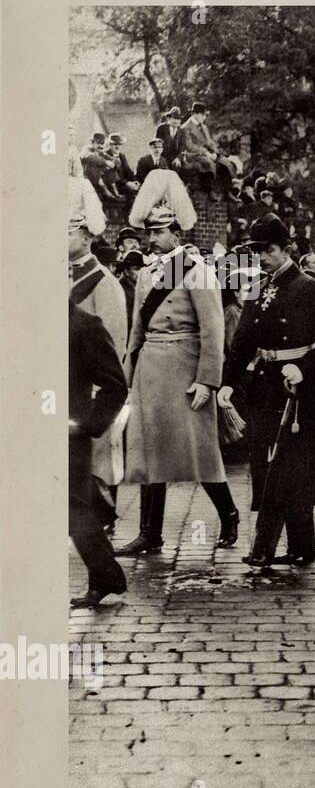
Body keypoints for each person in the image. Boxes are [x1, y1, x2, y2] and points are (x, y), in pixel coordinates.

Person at [115, 170, 240, 556]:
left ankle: (229, 513)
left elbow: (213, 330)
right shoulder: (147, 274)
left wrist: (208, 381)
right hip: (151, 371)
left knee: (198, 452)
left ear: (177, 233)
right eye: (149, 231)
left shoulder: (198, 270)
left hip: (186, 371)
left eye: (160, 231)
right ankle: (149, 533)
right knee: (150, 451)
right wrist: (128, 377)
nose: (152, 238)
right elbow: (137, 330)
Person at [217, 213, 315, 568]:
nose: (262, 257)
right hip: (264, 386)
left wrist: (302, 369)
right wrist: (228, 382)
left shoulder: (311, 288)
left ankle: (266, 547)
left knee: (291, 466)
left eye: (268, 250)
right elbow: (243, 341)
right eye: (256, 251)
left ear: (286, 249)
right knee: (266, 465)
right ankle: (301, 548)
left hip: (298, 391)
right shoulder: (256, 287)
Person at [69, 179, 129, 533]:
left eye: (67, 231)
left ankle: (102, 524)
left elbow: (114, 347)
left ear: (86, 235)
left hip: (92, 393)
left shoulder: (104, 283)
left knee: (97, 464)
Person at [69, 301, 129, 608]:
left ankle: (105, 577)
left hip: (68, 435)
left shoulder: (85, 324)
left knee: (71, 509)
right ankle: (107, 577)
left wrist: (86, 425)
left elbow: (115, 385)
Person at [177, 102, 222, 200]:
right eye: (202, 114)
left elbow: (210, 142)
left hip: (205, 153)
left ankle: (228, 191)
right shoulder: (186, 128)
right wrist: (206, 153)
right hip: (191, 155)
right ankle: (210, 190)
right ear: (194, 114)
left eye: (204, 115)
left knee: (225, 162)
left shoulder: (203, 126)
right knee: (208, 163)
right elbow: (189, 146)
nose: (204, 117)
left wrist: (214, 152)